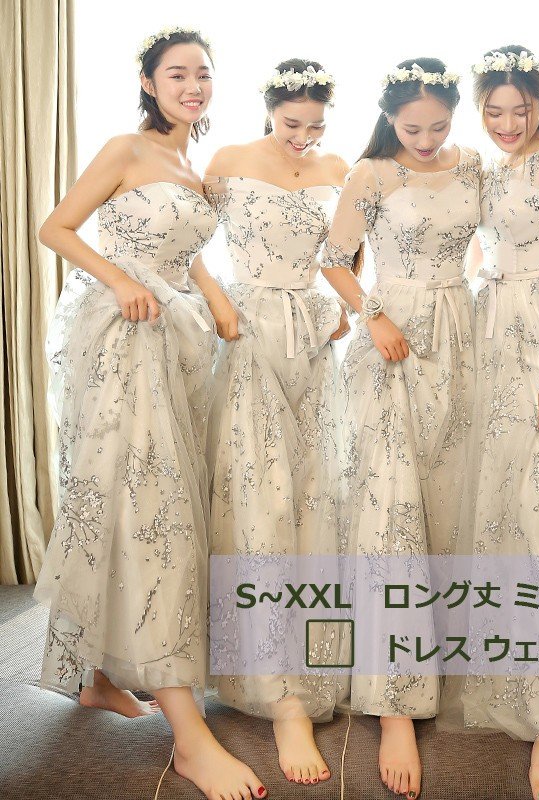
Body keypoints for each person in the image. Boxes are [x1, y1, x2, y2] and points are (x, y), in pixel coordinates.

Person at [35, 28, 266, 800]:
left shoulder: (189, 165)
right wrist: (119, 280)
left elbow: (181, 247)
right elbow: (56, 227)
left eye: (204, 74)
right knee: (150, 508)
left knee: (133, 503)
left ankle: (99, 676)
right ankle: (191, 741)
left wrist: (218, 295)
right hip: (126, 334)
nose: (193, 86)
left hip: (177, 336)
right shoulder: (126, 148)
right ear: (148, 81)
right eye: (177, 74)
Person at [320, 58, 480, 800]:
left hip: (464, 335)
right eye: (412, 128)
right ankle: (392, 705)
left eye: (438, 126)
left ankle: (449, 658)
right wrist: (374, 315)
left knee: (449, 501)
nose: (426, 139)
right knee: (392, 511)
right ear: (389, 118)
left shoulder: (473, 163)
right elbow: (333, 259)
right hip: (393, 341)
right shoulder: (371, 174)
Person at [449, 44, 539, 800]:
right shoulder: (491, 166)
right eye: (494, 112)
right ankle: (512, 680)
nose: (508, 123)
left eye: (521, 110)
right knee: (505, 513)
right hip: (495, 333)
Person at [202, 58, 349, 787]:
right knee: (257, 504)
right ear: (269, 109)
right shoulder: (228, 162)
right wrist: (218, 301)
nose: (303, 137)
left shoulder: (339, 167)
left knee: (318, 503)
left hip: (314, 342)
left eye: (315, 125)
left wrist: (348, 305)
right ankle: (279, 696)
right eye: (293, 124)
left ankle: (317, 666)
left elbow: (345, 256)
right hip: (248, 332)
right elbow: (182, 243)